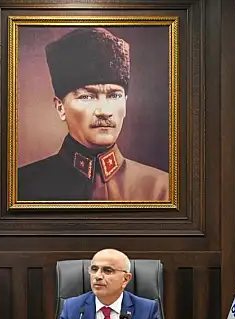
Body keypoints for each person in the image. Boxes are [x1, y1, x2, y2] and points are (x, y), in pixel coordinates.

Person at [18, 27, 169, 201]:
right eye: (87, 97)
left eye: (114, 96)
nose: (104, 111)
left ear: (125, 103)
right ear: (60, 108)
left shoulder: (162, 189)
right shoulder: (21, 187)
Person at [55, 248, 163, 319]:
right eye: (94, 269)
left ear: (125, 279)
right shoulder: (72, 308)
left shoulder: (146, 310)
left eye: (107, 271)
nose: (97, 276)